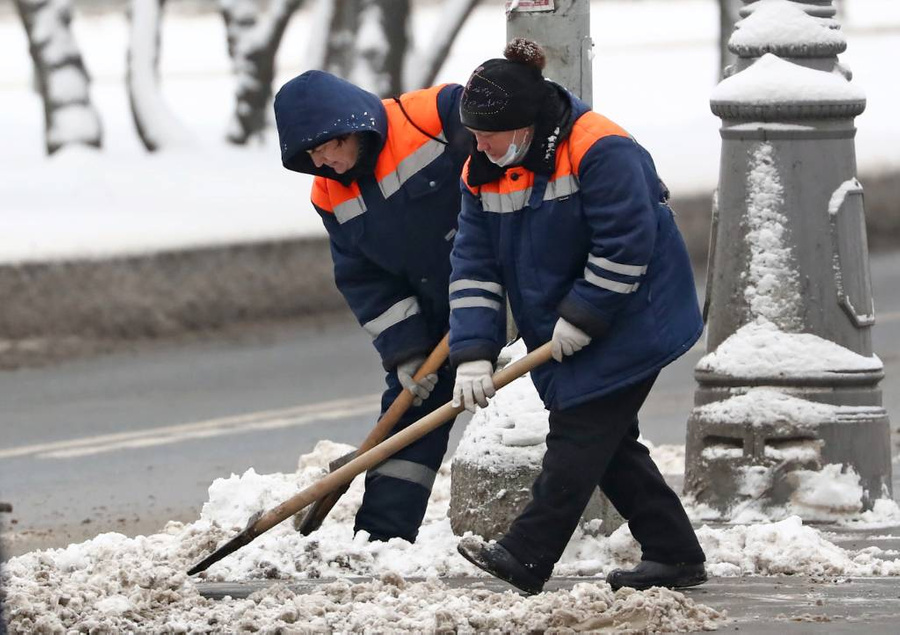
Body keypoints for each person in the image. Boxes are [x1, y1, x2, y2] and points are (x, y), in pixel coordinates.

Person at [449, 39, 708, 594]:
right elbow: (474, 264)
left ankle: (526, 553)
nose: (477, 145)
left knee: (581, 430)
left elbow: (625, 245)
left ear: (522, 125)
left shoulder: (602, 148)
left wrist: (584, 315)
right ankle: (674, 553)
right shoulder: (484, 168)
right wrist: (472, 352)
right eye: (473, 135)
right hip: (570, 319)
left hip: (637, 313)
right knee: (608, 441)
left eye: (487, 135)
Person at [273, 71, 471, 543]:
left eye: (328, 149)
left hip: (508, 287)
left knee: (570, 405)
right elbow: (365, 279)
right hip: (434, 318)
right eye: (312, 158)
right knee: (409, 417)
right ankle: (381, 539)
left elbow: (506, 167)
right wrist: (407, 351)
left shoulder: (434, 117)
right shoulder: (329, 193)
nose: (325, 164)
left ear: (352, 128)